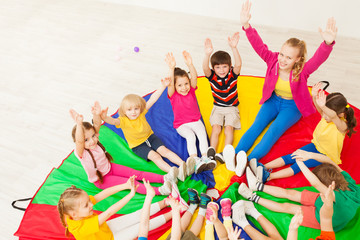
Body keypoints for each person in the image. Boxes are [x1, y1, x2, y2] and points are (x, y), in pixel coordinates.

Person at [230, 0, 338, 167]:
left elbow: (318, 59)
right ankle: (235, 155)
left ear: (298, 59)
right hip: (273, 100)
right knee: (256, 126)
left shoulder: (303, 70)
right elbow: (259, 46)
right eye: (282, 54)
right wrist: (246, 26)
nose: (283, 59)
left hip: (292, 107)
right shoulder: (273, 60)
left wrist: (327, 44)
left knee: (272, 133)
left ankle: (249, 161)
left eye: (289, 57)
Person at [255, 84, 357, 182]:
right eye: (324, 112)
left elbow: (333, 116)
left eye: (327, 113)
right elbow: (322, 111)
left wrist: (325, 107)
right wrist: (314, 97)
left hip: (326, 155)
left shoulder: (342, 126)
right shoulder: (327, 115)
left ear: (340, 114)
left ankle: (268, 177)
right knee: (292, 156)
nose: (324, 116)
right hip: (316, 145)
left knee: (298, 164)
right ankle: (262, 167)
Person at [70, 105, 177, 195]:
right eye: (86, 140)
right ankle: (160, 190)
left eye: (93, 136)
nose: (92, 141)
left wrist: (96, 114)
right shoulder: (82, 153)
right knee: (131, 183)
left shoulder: (94, 140)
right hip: (102, 180)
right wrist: (79, 124)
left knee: (137, 173)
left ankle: (164, 178)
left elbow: (96, 125)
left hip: (110, 167)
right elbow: (80, 141)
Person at [100, 77, 191, 181]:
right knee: (155, 157)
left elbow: (153, 99)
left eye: (136, 109)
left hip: (150, 137)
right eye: (129, 110)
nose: (133, 112)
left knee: (164, 151)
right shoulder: (123, 121)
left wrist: (163, 86)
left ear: (140, 108)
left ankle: (183, 165)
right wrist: (104, 117)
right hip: (138, 145)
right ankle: (173, 172)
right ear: (124, 111)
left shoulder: (141, 113)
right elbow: (113, 121)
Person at [239, 160, 360, 232]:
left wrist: (300, 163)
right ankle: (257, 186)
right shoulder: (349, 182)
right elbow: (329, 160)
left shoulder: (334, 196)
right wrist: (311, 156)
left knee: (287, 207)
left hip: (329, 218)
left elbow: (315, 183)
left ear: (328, 187)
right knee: (291, 194)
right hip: (333, 203)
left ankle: (252, 197)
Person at [57, 176, 172, 240]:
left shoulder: (77, 209)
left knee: (137, 215)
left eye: (88, 201)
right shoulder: (82, 228)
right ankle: (175, 211)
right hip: (112, 238)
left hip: (105, 229)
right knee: (143, 225)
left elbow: (103, 194)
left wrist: (125, 185)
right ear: (75, 214)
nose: (91, 204)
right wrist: (130, 195)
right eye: (86, 205)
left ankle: (167, 201)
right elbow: (108, 212)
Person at [165, 51, 216, 174]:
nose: (184, 88)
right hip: (181, 125)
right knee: (190, 137)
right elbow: (171, 83)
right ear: (175, 86)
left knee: (202, 133)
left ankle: (205, 157)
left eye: (186, 84)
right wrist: (171, 68)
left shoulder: (191, 90)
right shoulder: (173, 95)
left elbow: (194, 77)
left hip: (195, 120)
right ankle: (194, 160)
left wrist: (190, 65)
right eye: (180, 85)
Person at [202, 32, 242, 165]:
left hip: (231, 107)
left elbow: (238, 64)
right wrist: (207, 54)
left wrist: (234, 48)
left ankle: (226, 152)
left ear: (229, 67)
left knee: (229, 128)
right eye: (218, 67)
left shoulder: (232, 74)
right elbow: (204, 68)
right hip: (218, 107)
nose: (221, 70)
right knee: (216, 128)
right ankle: (211, 152)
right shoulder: (212, 76)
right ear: (213, 68)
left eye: (224, 66)